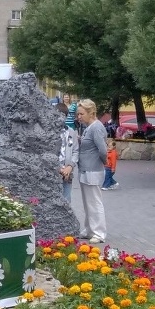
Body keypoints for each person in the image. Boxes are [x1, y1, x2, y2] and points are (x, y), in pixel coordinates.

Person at [75, 99, 109, 243]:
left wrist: (104, 162)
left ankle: (99, 233)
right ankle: (89, 229)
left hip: (93, 170)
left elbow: (102, 150)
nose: (79, 117)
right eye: (78, 114)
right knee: (87, 202)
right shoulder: (89, 127)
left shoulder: (96, 127)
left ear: (91, 113)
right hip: (85, 170)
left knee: (94, 202)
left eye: (81, 114)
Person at [57, 117, 79, 203]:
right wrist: (59, 169)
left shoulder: (71, 131)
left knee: (66, 200)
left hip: (68, 173)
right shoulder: (50, 131)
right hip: (55, 171)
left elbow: (76, 151)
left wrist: (70, 166)